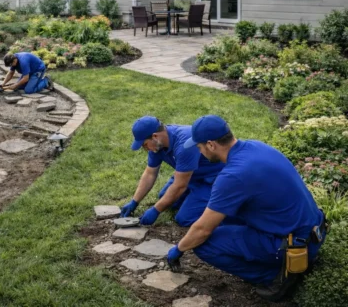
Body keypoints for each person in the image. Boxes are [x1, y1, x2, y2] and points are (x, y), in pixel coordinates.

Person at [166, 115, 326, 301]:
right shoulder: (256, 147)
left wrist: (179, 249)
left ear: (210, 145)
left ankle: (277, 277)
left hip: (293, 246)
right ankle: (285, 263)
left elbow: (202, 230)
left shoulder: (233, 176)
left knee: (204, 245)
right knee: (224, 217)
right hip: (312, 233)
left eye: (199, 147)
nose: (199, 152)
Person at [122, 116, 224, 227]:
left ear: (155, 136)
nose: (145, 149)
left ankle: (225, 209)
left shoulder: (184, 144)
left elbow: (180, 186)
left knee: (184, 218)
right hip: (191, 176)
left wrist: (156, 210)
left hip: (213, 179)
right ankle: (195, 197)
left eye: (144, 145)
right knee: (165, 198)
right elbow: (150, 173)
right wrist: (134, 201)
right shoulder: (157, 146)